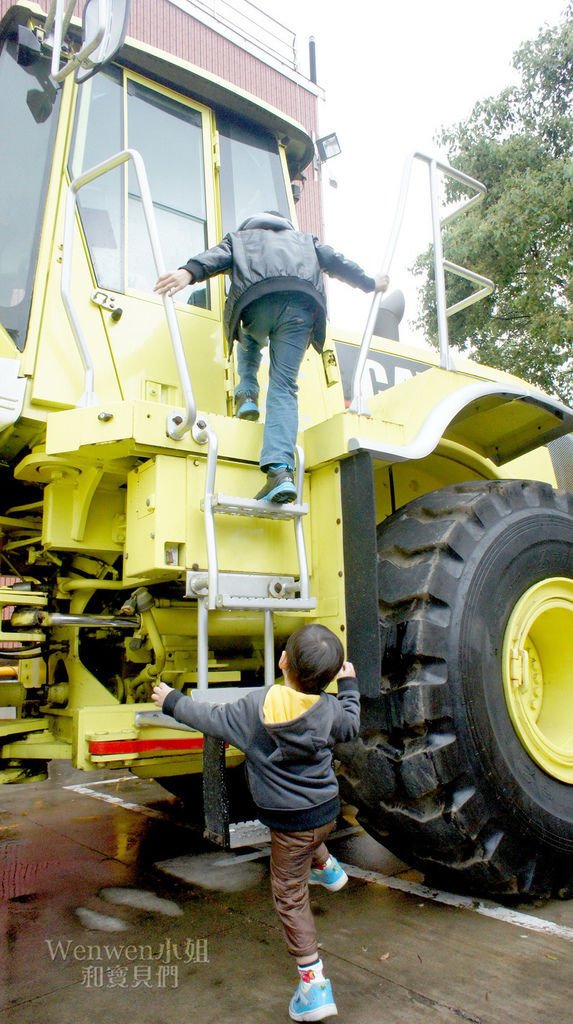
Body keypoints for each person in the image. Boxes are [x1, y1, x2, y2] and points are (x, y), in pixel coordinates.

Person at [151, 623, 360, 1021]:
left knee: (289, 894)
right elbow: (351, 721)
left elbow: (209, 718)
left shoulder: (256, 709)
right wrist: (348, 688)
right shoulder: (331, 709)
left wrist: (172, 700)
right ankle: (327, 868)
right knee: (308, 835)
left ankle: (313, 985)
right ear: (332, 677)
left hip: (289, 823)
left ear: (282, 661)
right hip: (326, 811)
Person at [154, 212, 389, 503]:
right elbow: (337, 262)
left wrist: (186, 272)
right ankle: (280, 472)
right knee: (284, 386)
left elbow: (214, 258)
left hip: (257, 305)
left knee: (248, 338)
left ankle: (247, 392)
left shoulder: (240, 240)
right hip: (301, 310)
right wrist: (370, 283)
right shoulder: (306, 241)